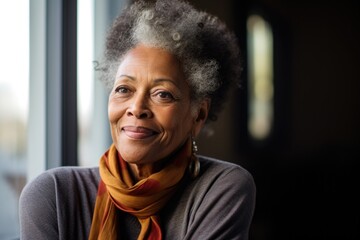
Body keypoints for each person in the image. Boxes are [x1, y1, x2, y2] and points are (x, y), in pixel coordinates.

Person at [19, 0, 256, 239]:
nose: (136, 108)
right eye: (124, 89)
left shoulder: (221, 188)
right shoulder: (53, 195)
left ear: (198, 115)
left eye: (163, 94)